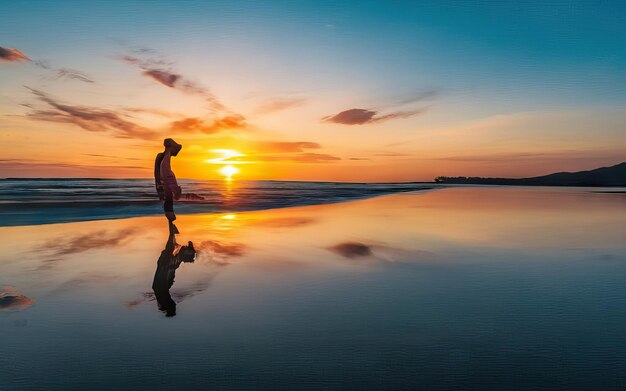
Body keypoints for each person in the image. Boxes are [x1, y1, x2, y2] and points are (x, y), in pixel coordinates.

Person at [152, 221, 196, 317]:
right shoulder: (170, 255)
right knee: (165, 300)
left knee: (165, 301)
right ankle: (167, 309)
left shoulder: (178, 258)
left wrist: (173, 230)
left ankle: (167, 309)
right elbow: (170, 240)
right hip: (160, 286)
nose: (188, 260)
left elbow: (173, 240)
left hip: (163, 286)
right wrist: (170, 223)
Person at [155, 138, 183, 221]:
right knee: (169, 208)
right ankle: (171, 230)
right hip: (165, 187)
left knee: (168, 204)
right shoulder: (165, 157)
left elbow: (158, 173)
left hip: (163, 186)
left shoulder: (163, 156)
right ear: (171, 147)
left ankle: (171, 229)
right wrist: (175, 189)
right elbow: (166, 174)